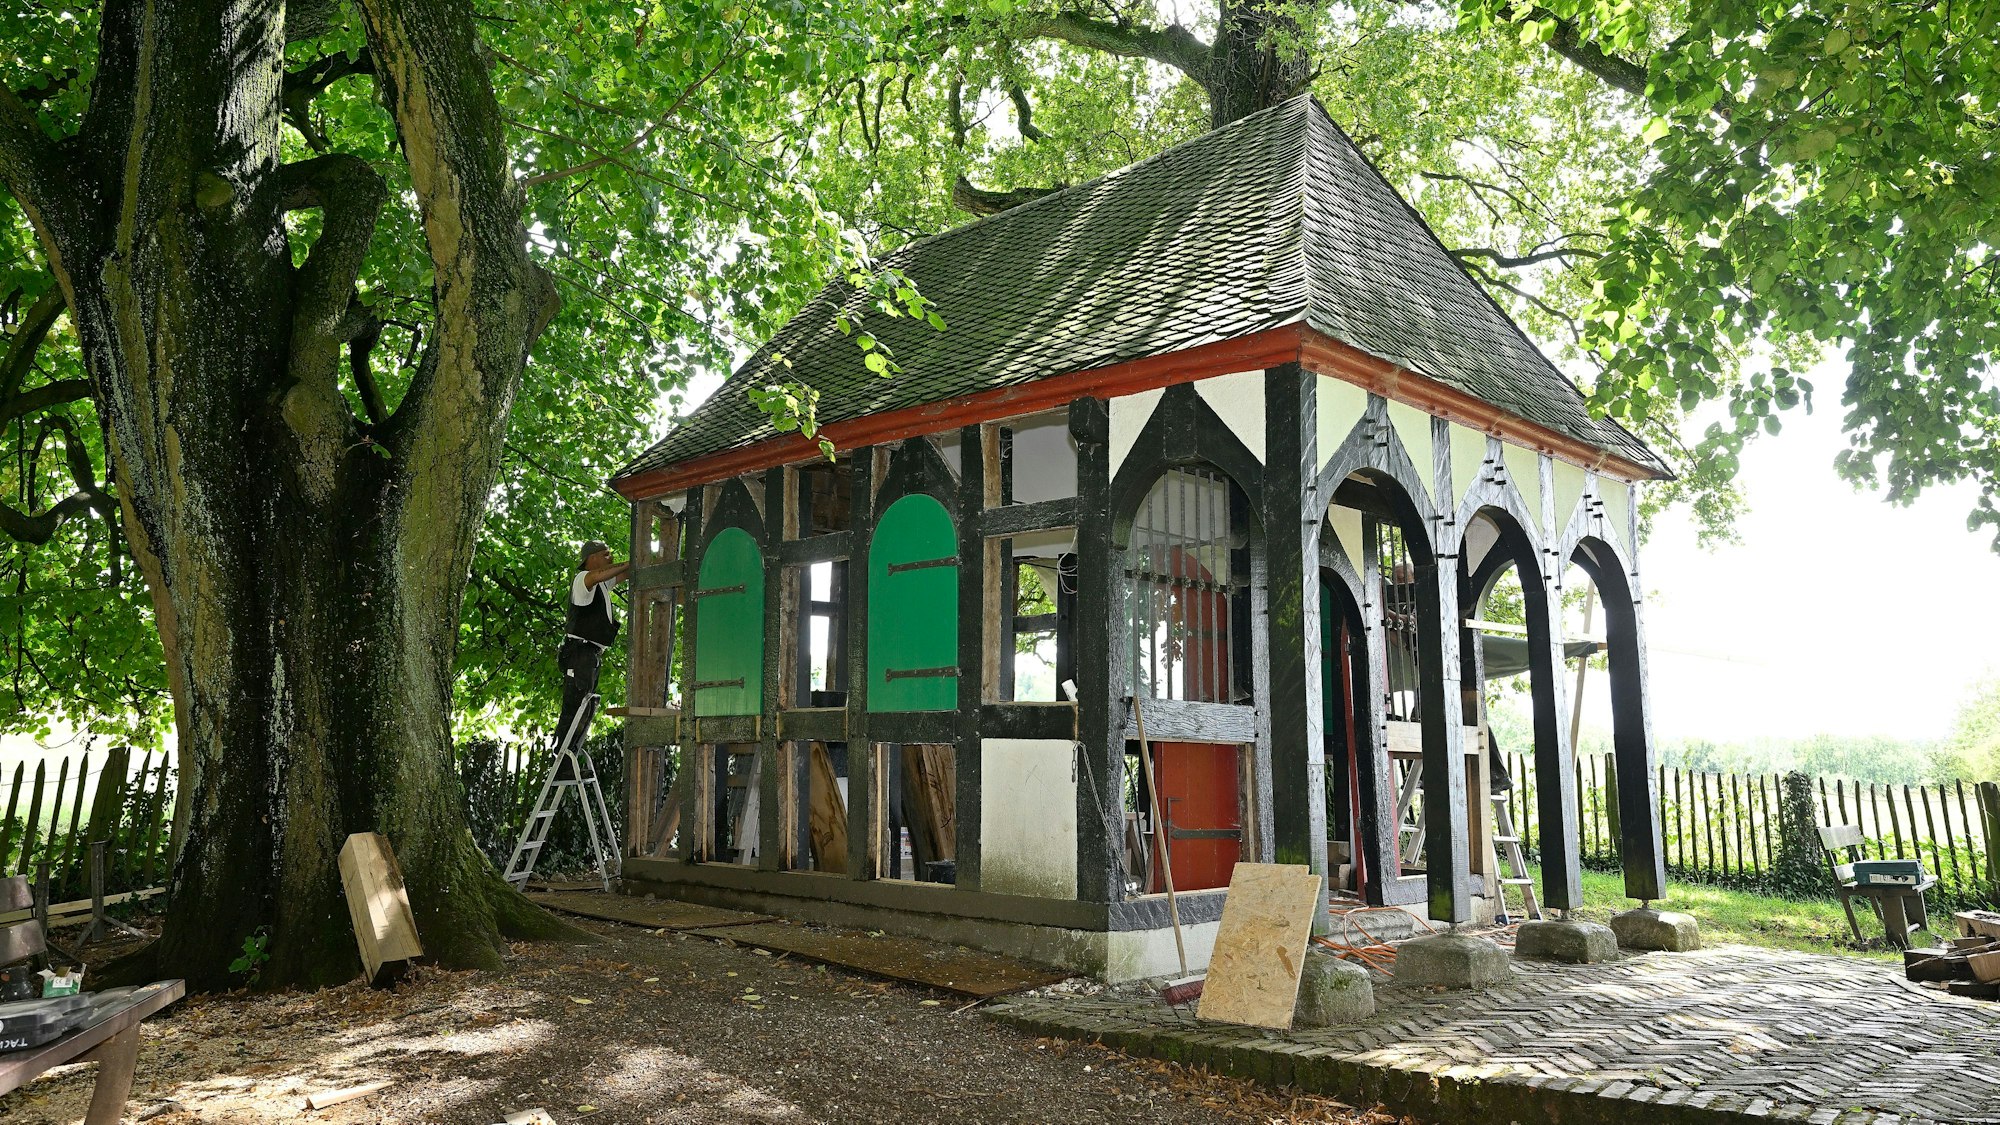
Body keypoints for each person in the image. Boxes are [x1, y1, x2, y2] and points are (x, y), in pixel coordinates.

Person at [555, 539, 629, 749]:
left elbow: (623, 574)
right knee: (574, 708)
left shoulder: (601, 585)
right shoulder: (583, 579)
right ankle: (562, 755)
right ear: (592, 558)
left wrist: (642, 562)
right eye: (606, 554)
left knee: (585, 708)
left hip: (589, 655)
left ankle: (571, 753)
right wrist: (629, 562)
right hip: (579, 653)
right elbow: (600, 575)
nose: (611, 558)